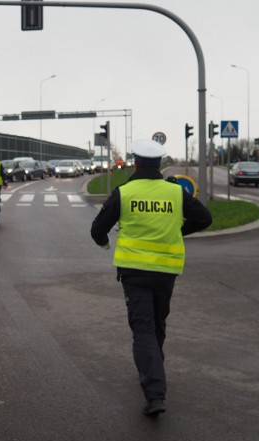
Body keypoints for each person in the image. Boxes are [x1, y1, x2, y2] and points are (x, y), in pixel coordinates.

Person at [90, 138, 212, 416]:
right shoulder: (174, 193)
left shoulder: (125, 192)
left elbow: (98, 229)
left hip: (134, 272)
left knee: (143, 329)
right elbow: (204, 219)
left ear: (135, 162)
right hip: (166, 271)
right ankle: (153, 367)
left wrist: (105, 244)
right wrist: (178, 232)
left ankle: (155, 392)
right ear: (160, 163)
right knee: (157, 324)